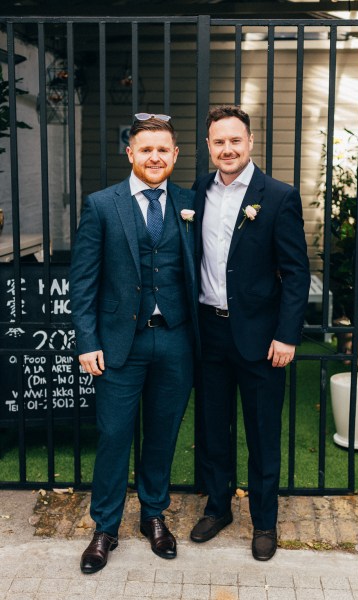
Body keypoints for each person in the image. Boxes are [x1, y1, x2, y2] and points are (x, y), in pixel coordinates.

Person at [70, 114, 199, 573]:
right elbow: (82, 281)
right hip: (119, 345)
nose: (155, 157)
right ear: (130, 154)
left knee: (162, 435)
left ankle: (153, 516)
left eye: (163, 149)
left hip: (175, 340)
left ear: (175, 155)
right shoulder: (102, 205)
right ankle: (105, 527)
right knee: (114, 436)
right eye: (146, 149)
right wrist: (87, 340)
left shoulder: (189, 201)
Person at [190, 105, 310, 561]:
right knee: (213, 428)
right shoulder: (197, 192)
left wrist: (287, 335)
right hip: (209, 333)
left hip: (262, 338)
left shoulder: (277, 196)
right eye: (218, 141)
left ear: (250, 142)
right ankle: (218, 507)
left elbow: (296, 273)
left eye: (234, 141)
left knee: (262, 432)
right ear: (208, 146)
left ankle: (264, 521)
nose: (227, 149)